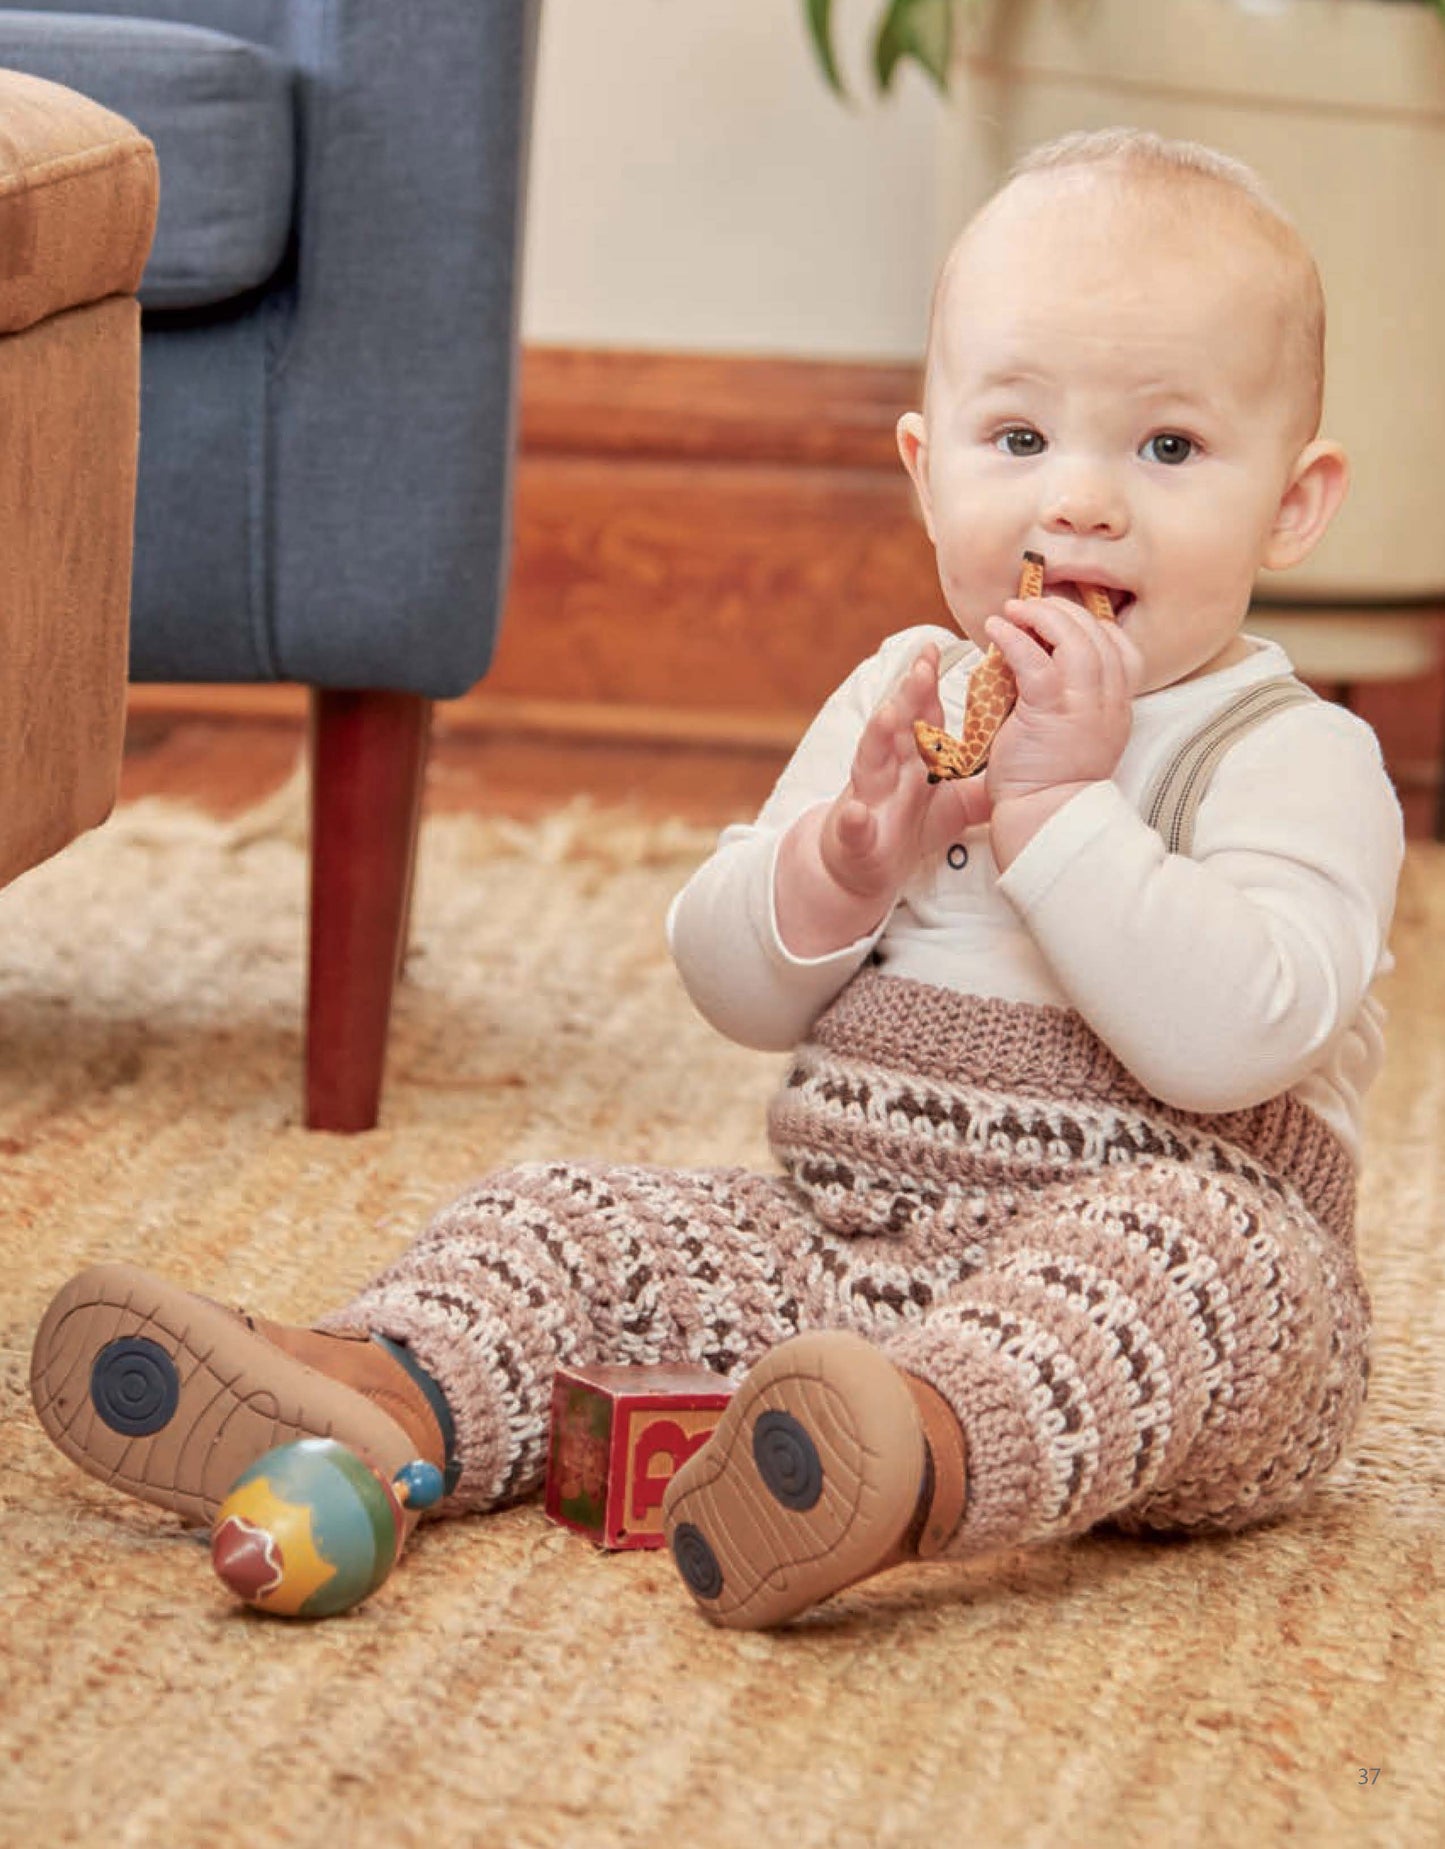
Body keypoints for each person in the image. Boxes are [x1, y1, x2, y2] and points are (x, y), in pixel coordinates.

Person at [30, 129, 1404, 1632]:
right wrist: (838, 865)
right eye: (1017, 440)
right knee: (570, 1214)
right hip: (848, 1255)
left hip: (1185, 1306)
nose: (1078, 503)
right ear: (921, 468)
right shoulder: (905, 695)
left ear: (1292, 500)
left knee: (1195, 1265)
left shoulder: (1287, 751)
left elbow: (1232, 1040)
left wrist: (1065, 812)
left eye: (1166, 449)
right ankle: (384, 1390)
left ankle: (912, 1461)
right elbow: (728, 983)